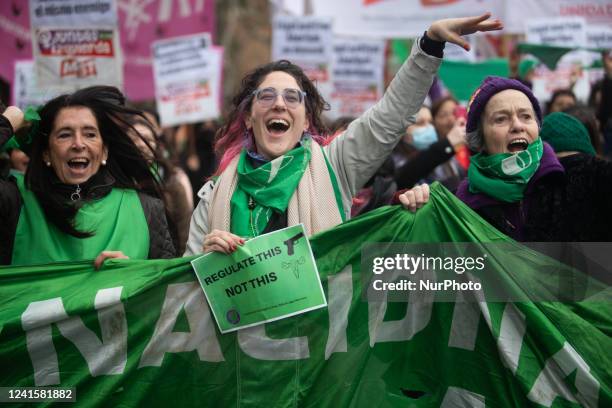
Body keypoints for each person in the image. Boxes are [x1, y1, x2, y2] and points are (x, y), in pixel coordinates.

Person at [184, 14, 503, 255]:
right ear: (250, 119)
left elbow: (390, 115)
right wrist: (206, 263)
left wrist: (430, 44)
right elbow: (183, 287)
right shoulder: (213, 196)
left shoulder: (334, 166)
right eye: (266, 96)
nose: (279, 104)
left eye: (292, 98)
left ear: (306, 121)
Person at [399, 76, 612, 242]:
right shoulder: (459, 204)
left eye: (526, 116)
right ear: (479, 139)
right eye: (501, 119)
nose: (517, 125)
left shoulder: (587, 178)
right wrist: (414, 206)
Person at [0, 86, 176, 267]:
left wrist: (133, 277)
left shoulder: (147, 208)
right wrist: (7, 123)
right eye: (65, 135)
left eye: (90, 134)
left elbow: (170, 289)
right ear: (46, 153)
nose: (78, 144)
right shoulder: (14, 200)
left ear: (104, 151)